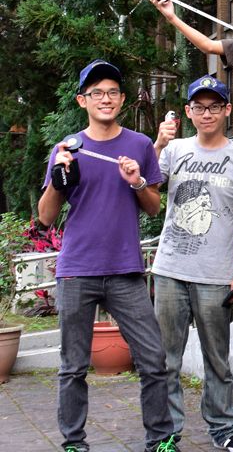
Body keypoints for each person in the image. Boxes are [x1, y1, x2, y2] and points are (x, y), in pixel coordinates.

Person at [38, 60, 177, 452]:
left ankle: (161, 439)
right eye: (96, 92)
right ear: (83, 100)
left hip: (126, 270)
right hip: (77, 270)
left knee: (153, 359)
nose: (105, 99)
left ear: (122, 99)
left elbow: (152, 207)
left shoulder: (138, 146)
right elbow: (46, 217)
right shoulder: (67, 148)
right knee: (72, 367)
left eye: (112, 92)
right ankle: (73, 442)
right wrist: (58, 179)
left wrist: (136, 182)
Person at [152, 76, 233, 452]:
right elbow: (146, 188)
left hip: (216, 275)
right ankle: (165, 434)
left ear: (227, 110)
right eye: (199, 107)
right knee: (165, 358)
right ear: (190, 111)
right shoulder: (175, 149)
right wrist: (159, 142)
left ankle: (225, 428)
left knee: (218, 360)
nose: (206, 113)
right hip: (170, 269)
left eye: (214, 106)